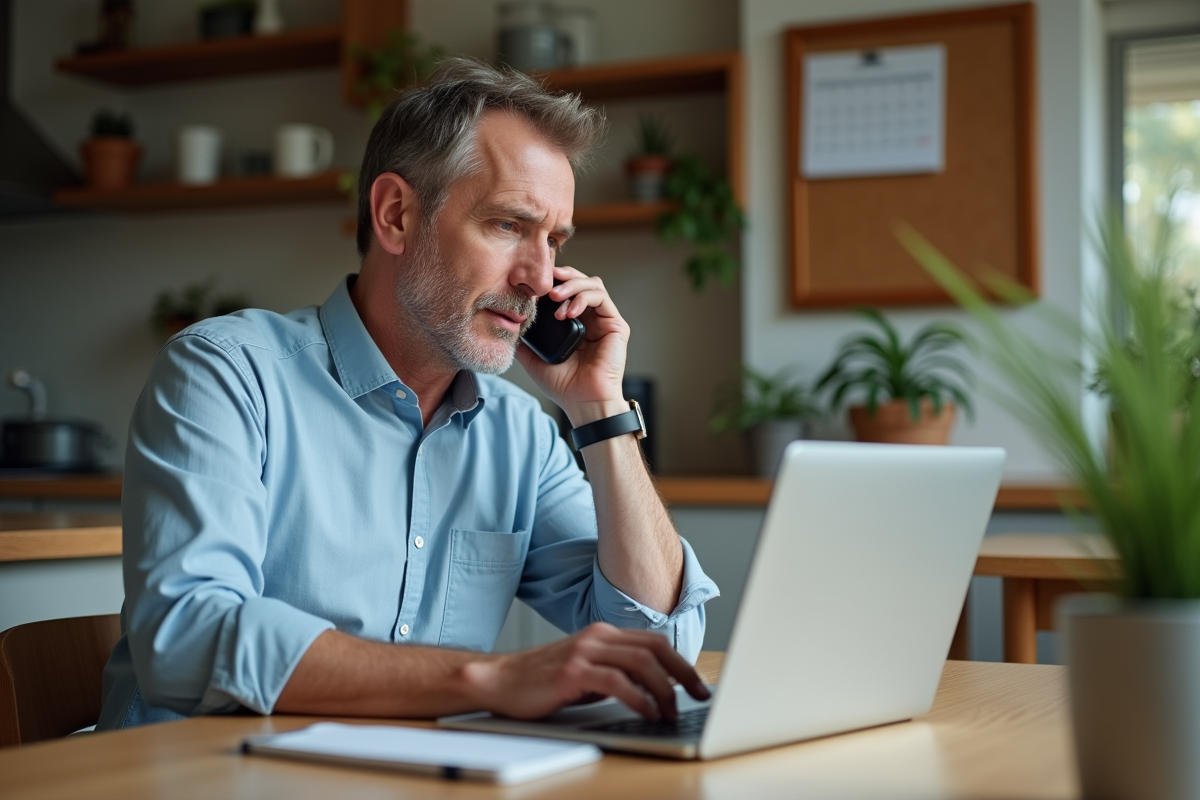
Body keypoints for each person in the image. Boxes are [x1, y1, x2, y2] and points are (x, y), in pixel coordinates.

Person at [97, 58, 719, 730]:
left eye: (554, 241)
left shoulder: (520, 434)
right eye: (508, 225)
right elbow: (185, 640)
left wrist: (599, 410)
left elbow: (658, 641)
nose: (541, 278)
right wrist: (489, 679)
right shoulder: (225, 374)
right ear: (396, 215)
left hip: (411, 774)